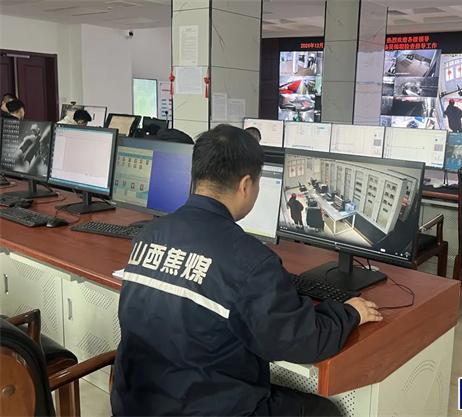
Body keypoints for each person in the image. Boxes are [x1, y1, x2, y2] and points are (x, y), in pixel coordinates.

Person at [111, 124, 381, 417]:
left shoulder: (148, 234)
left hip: (136, 403)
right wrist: (350, 313)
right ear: (245, 185)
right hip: (202, 408)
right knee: (324, 411)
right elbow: (302, 341)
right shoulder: (251, 261)